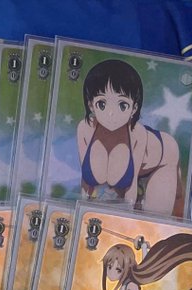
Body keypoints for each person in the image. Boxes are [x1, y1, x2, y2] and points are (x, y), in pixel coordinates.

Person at [75, 58, 181, 214]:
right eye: (102, 104)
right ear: (91, 105)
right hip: (129, 162)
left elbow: (130, 188)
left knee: (157, 216)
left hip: (164, 156)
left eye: (122, 105)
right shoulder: (84, 129)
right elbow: (85, 183)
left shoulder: (137, 133)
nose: (111, 114)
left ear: (134, 108)